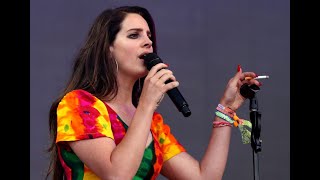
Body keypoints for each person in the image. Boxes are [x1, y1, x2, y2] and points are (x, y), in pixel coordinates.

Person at [46, 5, 261, 180]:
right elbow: (116, 175)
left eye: (149, 36)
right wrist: (147, 104)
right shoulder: (78, 105)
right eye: (134, 35)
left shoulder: (151, 123)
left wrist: (225, 109)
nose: (148, 42)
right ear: (107, 48)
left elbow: (203, 177)